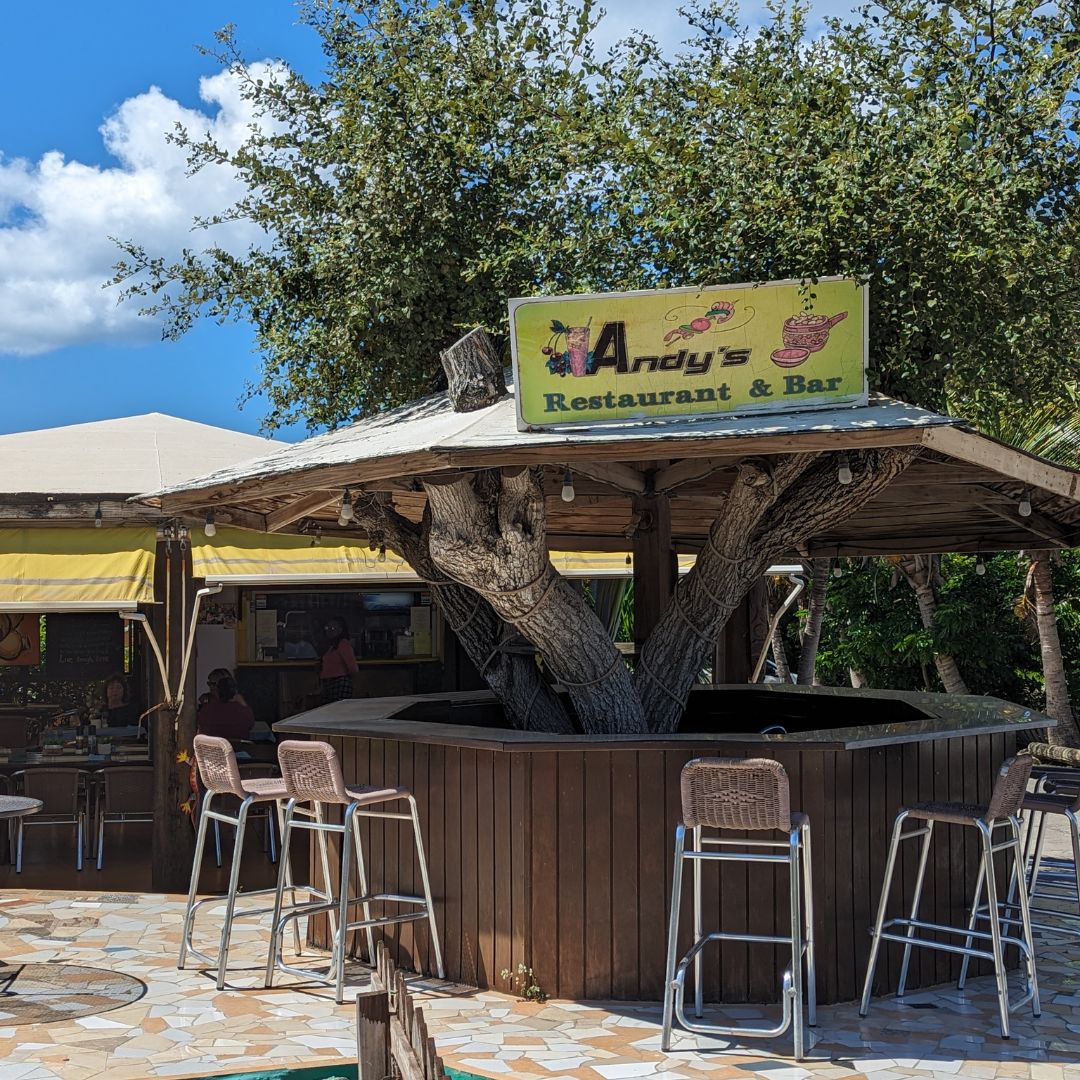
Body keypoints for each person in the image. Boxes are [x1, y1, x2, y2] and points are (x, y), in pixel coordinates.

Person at [197, 673, 255, 746]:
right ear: (235, 692)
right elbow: (251, 725)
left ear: (217, 691)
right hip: (240, 753)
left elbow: (201, 727)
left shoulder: (206, 709)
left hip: (212, 753)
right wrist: (243, 704)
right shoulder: (243, 711)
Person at [319, 617, 358, 703]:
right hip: (329, 683)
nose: (329, 630)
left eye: (332, 628)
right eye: (327, 628)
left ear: (340, 630)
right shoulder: (332, 646)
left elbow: (353, 668)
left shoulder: (343, 644)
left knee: (338, 710)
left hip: (340, 683)